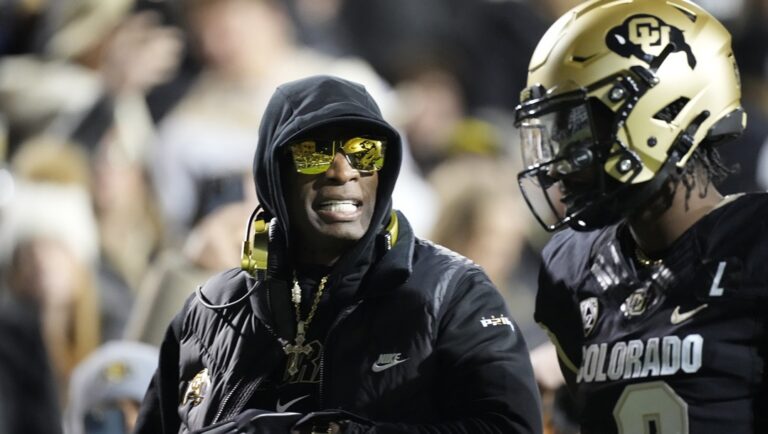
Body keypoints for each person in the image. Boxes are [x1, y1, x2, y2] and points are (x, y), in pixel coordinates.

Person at [134, 75, 542, 433]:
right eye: (315, 151)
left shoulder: (453, 293)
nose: (343, 170)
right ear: (274, 172)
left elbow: (509, 426)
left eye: (365, 151)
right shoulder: (207, 312)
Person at [513, 0, 768, 433]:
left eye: (576, 130)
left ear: (663, 111)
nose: (558, 164)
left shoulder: (756, 244)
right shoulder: (573, 269)